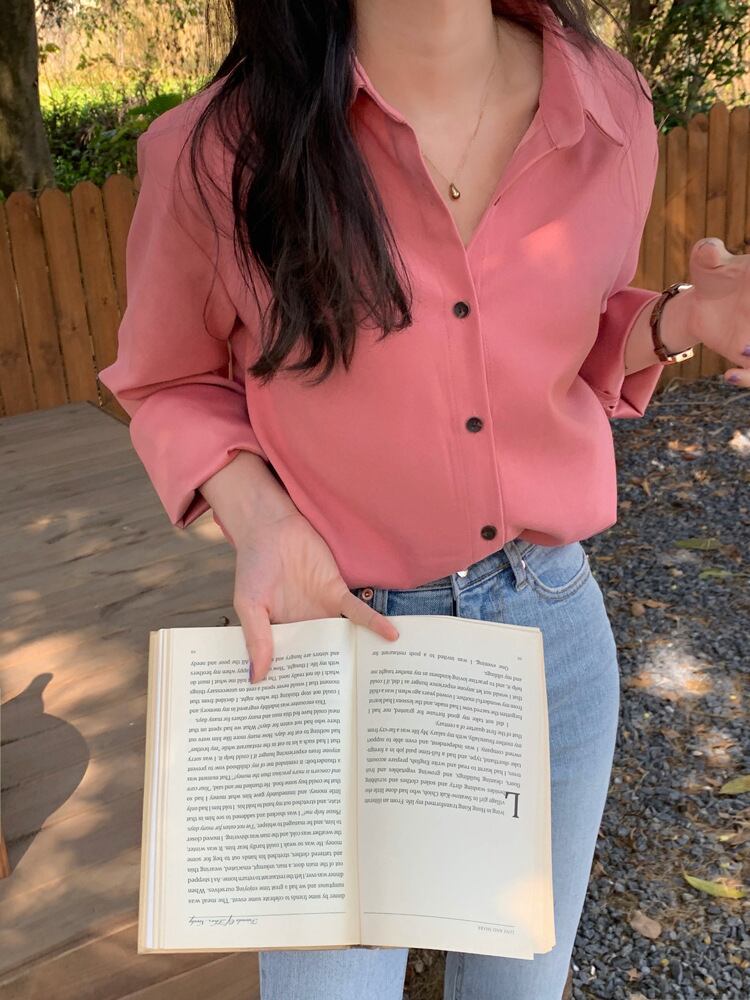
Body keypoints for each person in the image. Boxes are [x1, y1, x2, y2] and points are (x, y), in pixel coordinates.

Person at [97, 0, 750, 996]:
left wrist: (679, 320)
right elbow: (167, 378)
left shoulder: (610, 107)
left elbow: (562, 346)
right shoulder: (217, 151)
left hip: (549, 641)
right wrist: (264, 522)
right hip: (335, 643)